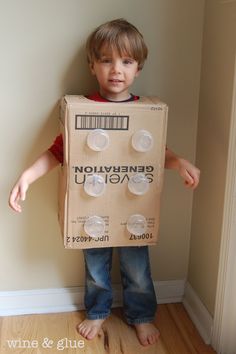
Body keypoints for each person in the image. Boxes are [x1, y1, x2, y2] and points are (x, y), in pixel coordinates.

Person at [9, 19, 200, 347]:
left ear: (138, 69)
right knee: (95, 264)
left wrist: (179, 161)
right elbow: (59, 152)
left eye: (126, 61)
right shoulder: (82, 110)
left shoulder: (144, 112)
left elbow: (154, 152)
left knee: (136, 265)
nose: (116, 70)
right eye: (107, 60)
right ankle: (97, 311)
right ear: (92, 65)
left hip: (133, 206)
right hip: (92, 207)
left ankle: (141, 315)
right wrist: (26, 177)